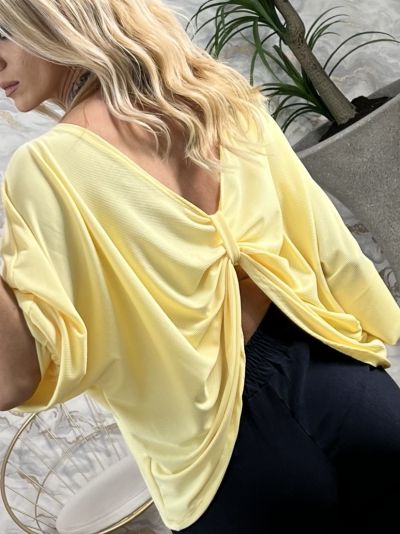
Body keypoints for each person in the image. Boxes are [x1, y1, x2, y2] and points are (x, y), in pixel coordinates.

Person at [0, 1, 400, 532]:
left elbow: (12, 380)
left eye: (4, 34)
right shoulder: (216, 93)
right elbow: (325, 241)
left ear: (57, 19)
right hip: (346, 385)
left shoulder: (46, 169)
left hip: (227, 461)